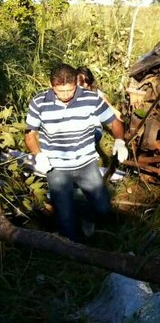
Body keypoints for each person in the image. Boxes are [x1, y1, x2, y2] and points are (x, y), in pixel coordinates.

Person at [24, 63, 129, 241]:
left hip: (86, 164)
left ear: (76, 85)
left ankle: (87, 217)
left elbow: (113, 122)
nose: (65, 96)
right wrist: (38, 155)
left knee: (103, 207)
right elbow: (30, 134)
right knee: (65, 219)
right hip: (56, 167)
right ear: (51, 86)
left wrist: (119, 140)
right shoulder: (39, 103)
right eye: (60, 91)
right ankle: (74, 252)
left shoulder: (91, 99)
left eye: (70, 90)